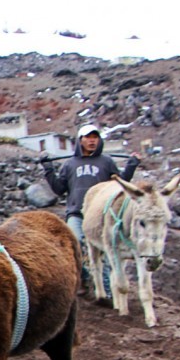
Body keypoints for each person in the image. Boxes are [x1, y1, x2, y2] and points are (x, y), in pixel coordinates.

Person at [41, 123, 141, 296]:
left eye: (95, 137)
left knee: (105, 249)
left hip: (101, 215)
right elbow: (59, 188)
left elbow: (120, 185)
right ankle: (83, 279)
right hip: (77, 212)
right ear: (80, 140)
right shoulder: (70, 164)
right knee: (75, 242)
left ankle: (106, 290)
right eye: (88, 137)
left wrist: (131, 166)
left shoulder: (106, 162)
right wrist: (48, 169)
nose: (92, 141)